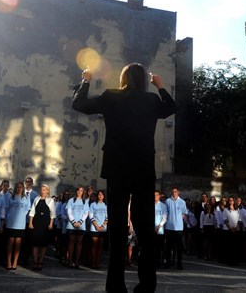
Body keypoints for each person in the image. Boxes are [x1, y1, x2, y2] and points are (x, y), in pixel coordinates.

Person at [72, 63, 177, 293]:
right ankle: (147, 285)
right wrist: (159, 86)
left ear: (123, 78)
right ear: (142, 80)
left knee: (118, 229)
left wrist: (86, 80)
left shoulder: (111, 96)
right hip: (142, 169)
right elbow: (171, 106)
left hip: (117, 168)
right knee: (145, 229)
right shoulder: (151, 101)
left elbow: (79, 104)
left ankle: (116, 286)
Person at [28, 184, 56, 271]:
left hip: (45, 223)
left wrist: (51, 224)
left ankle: (40, 261)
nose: (42, 191)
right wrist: (30, 223)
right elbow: (32, 211)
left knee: (43, 244)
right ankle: (35, 261)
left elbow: (53, 213)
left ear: (47, 191)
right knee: (35, 243)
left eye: (44, 190)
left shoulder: (51, 200)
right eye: (42, 189)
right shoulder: (36, 199)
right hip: (37, 222)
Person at [4, 181, 30, 270]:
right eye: (18, 187)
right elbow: (7, 209)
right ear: (15, 188)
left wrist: (21, 216)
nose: (19, 189)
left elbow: (27, 210)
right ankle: (9, 262)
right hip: (11, 223)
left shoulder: (26, 198)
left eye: (21, 187)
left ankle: (15, 262)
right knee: (10, 243)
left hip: (20, 224)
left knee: (18, 244)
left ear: (23, 188)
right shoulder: (11, 197)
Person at [164, 186, 187, 269]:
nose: (174, 193)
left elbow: (184, 213)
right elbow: (165, 213)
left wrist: (182, 220)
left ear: (178, 192)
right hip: (169, 227)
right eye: (173, 191)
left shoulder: (182, 202)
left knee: (179, 248)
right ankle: (168, 263)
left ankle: (179, 264)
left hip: (179, 229)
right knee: (168, 247)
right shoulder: (167, 201)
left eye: (175, 191)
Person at [66, 186, 89, 269]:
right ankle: (70, 261)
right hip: (72, 225)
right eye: (79, 190)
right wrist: (73, 222)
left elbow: (86, 213)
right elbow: (69, 212)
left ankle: (76, 262)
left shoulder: (85, 201)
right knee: (71, 242)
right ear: (76, 191)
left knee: (79, 242)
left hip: (81, 225)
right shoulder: (71, 200)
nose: (80, 192)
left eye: (81, 190)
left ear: (83, 192)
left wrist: (80, 222)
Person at [89, 190, 109, 269]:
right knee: (94, 245)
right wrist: (96, 226)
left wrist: (103, 226)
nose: (100, 196)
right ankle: (93, 262)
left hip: (103, 228)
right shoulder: (93, 204)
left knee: (100, 246)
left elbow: (107, 217)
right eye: (99, 194)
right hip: (94, 227)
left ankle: (98, 262)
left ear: (104, 196)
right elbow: (91, 216)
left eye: (102, 195)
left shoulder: (106, 205)